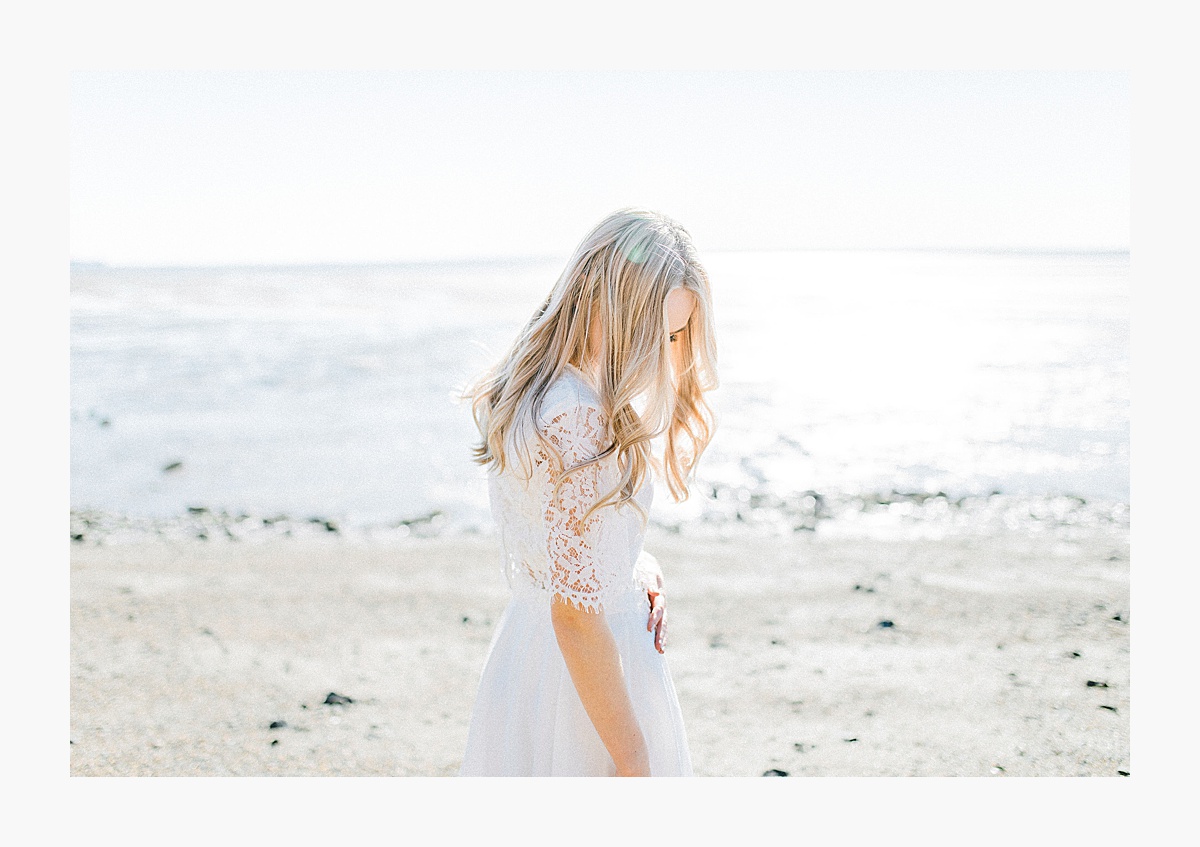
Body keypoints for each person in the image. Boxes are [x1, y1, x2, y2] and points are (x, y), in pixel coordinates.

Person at [459, 208, 718, 777]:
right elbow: (576, 613)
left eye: (674, 335)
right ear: (604, 300)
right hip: (585, 683)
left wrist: (636, 565)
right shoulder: (578, 417)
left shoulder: (539, 389)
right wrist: (632, 755)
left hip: (532, 661)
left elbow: (563, 552)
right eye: (652, 329)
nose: (661, 351)